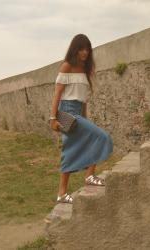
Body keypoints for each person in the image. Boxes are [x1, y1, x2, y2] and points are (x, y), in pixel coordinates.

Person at [49, 34, 113, 204]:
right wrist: (52, 118)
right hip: (67, 112)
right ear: (75, 49)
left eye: (87, 49)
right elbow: (58, 93)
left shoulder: (85, 71)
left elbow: (83, 99)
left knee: (74, 148)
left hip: (78, 113)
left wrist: (85, 119)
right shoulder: (67, 66)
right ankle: (84, 179)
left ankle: (66, 191)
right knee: (100, 137)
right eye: (81, 49)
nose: (84, 53)